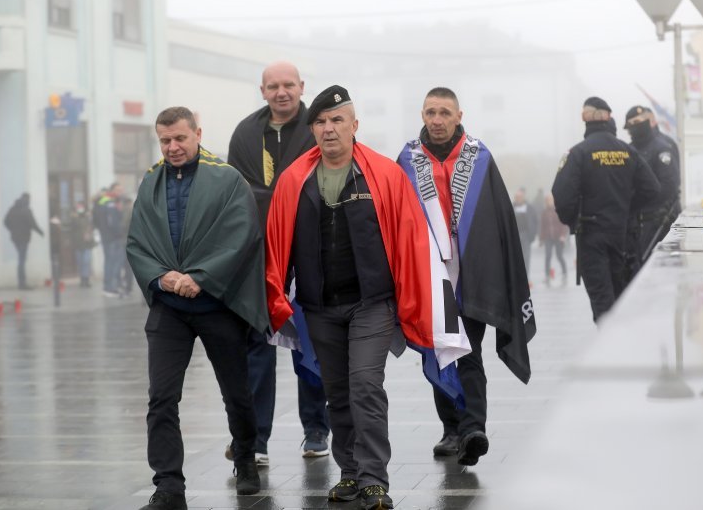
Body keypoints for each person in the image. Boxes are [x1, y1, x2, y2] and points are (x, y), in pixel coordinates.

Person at [266, 86, 469, 510]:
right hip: (319, 307)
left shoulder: (383, 175)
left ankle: (375, 477)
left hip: (372, 304)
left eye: (337, 120)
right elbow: (277, 243)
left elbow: (412, 240)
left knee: (365, 386)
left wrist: (418, 300)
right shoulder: (294, 180)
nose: (328, 129)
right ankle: (350, 473)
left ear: (354, 126)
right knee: (336, 392)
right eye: (320, 122)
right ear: (313, 130)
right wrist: (275, 300)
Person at [126, 106, 267, 509]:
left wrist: (201, 277)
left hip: (217, 303)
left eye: (179, 139)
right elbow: (137, 239)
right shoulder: (151, 181)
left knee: (236, 392)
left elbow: (241, 234)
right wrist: (161, 277)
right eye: (165, 140)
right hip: (169, 307)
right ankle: (168, 484)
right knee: (161, 398)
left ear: (197, 134)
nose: (172, 147)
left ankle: (246, 459)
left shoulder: (226, 178)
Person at [397, 87, 536, 466]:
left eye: (444, 112)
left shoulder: (479, 157)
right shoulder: (408, 159)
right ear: (422, 115)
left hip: (472, 274)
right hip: (430, 278)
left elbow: (500, 219)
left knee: (469, 353)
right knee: (441, 352)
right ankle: (451, 428)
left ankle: (473, 428)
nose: (437, 120)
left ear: (459, 115)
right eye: (430, 112)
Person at [226, 61, 329, 466]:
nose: (281, 92)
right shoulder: (246, 133)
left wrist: (273, 198)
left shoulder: (319, 126)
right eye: (273, 86)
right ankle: (256, 439)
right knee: (256, 347)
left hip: (309, 253)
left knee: (309, 341)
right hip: (258, 254)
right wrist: (278, 199)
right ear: (262, 91)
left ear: (302, 86)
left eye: (288, 84)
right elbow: (235, 194)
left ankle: (316, 429)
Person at [552, 97, 660, 322]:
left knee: (603, 304)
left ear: (587, 118)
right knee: (623, 300)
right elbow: (652, 189)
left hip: (592, 237)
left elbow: (562, 197)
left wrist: (575, 221)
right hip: (624, 237)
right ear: (608, 118)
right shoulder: (628, 152)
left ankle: (612, 351)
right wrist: (628, 209)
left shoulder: (578, 153)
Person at [624, 105, 681, 274]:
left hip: (658, 221)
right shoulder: (629, 149)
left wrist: (639, 199)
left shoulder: (663, 146)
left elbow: (669, 186)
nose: (636, 126)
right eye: (632, 123)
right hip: (636, 223)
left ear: (651, 121)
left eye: (639, 122)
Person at [3, 192, 44, 289]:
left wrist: (12, 229)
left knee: (21, 259)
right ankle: (22, 283)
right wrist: (41, 232)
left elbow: (5, 221)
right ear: (27, 199)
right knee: (21, 260)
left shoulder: (12, 209)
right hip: (24, 238)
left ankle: (21, 282)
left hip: (15, 238)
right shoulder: (26, 210)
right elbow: (33, 223)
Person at [94, 182, 125, 297]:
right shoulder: (110, 202)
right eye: (118, 190)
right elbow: (113, 222)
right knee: (113, 262)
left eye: (121, 190)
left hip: (106, 236)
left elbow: (96, 219)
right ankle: (110, 287)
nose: (120, 192)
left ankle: (110, 286)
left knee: (110, 262)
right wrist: (119, 233)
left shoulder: (102, 201)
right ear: (112, 190)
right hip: (113, 237)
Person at [538, 193, 568, 286]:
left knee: (559, 255)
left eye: (550, 200)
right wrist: (541, 239)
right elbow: (542, 226)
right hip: (548, 237)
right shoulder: (544, 212)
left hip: (558, 237)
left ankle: (564, 272)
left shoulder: (558, 210)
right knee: (548, 255)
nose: (548, 202)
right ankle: (547, 275)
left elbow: (563, 223)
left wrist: (563, 235)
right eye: (547, 201)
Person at [512, 188, 538, 276]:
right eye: (517, 197)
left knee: (526, 257)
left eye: (520, 197)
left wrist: (533, 234)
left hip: (526, 235)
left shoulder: (529, 207)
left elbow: (535, 221)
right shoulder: (511, 207)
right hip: (515, 236)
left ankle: (526, 275)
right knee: (515, 256)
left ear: (523, 197)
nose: (518, 198)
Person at [70, 202, 95, 288]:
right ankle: (82, 279)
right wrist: (74, 217)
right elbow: (71, 227)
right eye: (78, 207)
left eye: (81, 206)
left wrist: (89, 233)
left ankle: (86, 279)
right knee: (80, 262)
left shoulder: (88, 216)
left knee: (86, 261)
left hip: (87, 243)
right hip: (78, 243)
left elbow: (92, 226)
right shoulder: (73, 217)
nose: (80, 208)